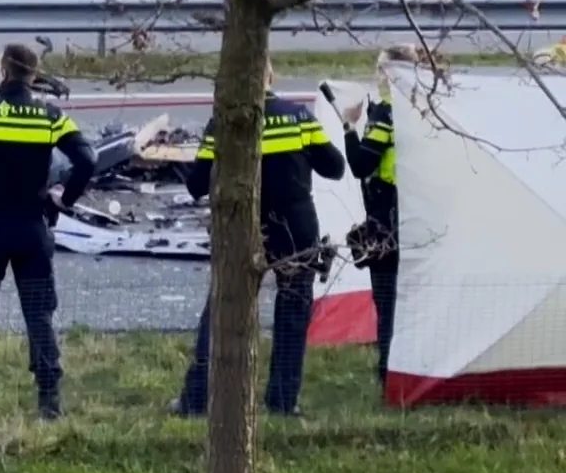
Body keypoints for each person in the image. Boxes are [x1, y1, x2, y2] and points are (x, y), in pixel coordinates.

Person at [174, 62, 347, 419]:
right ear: (272, 78)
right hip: (296, 227)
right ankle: (283, 402)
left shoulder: (224, 122)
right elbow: (334, 167)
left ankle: (197, 400)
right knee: (292, 313)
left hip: (243, 226)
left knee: (222, 312)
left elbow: (195, 186)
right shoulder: (298, 117)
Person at [0, 43, 96, 420]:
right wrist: (64, 200)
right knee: (39, 316)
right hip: (32, 232)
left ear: (4, 72)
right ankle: (49, 400)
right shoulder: (49, 116)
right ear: (33, 76)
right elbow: (87, 159)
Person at [341, 46, 422, 387]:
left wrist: (349, 126)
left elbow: (361, 164)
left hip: (387, 216)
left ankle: (388, 374)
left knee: (387, 300)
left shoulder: (386, 114)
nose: (376, 77)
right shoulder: (423, 107)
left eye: (379, 71)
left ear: (390, 73)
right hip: (418, 212)